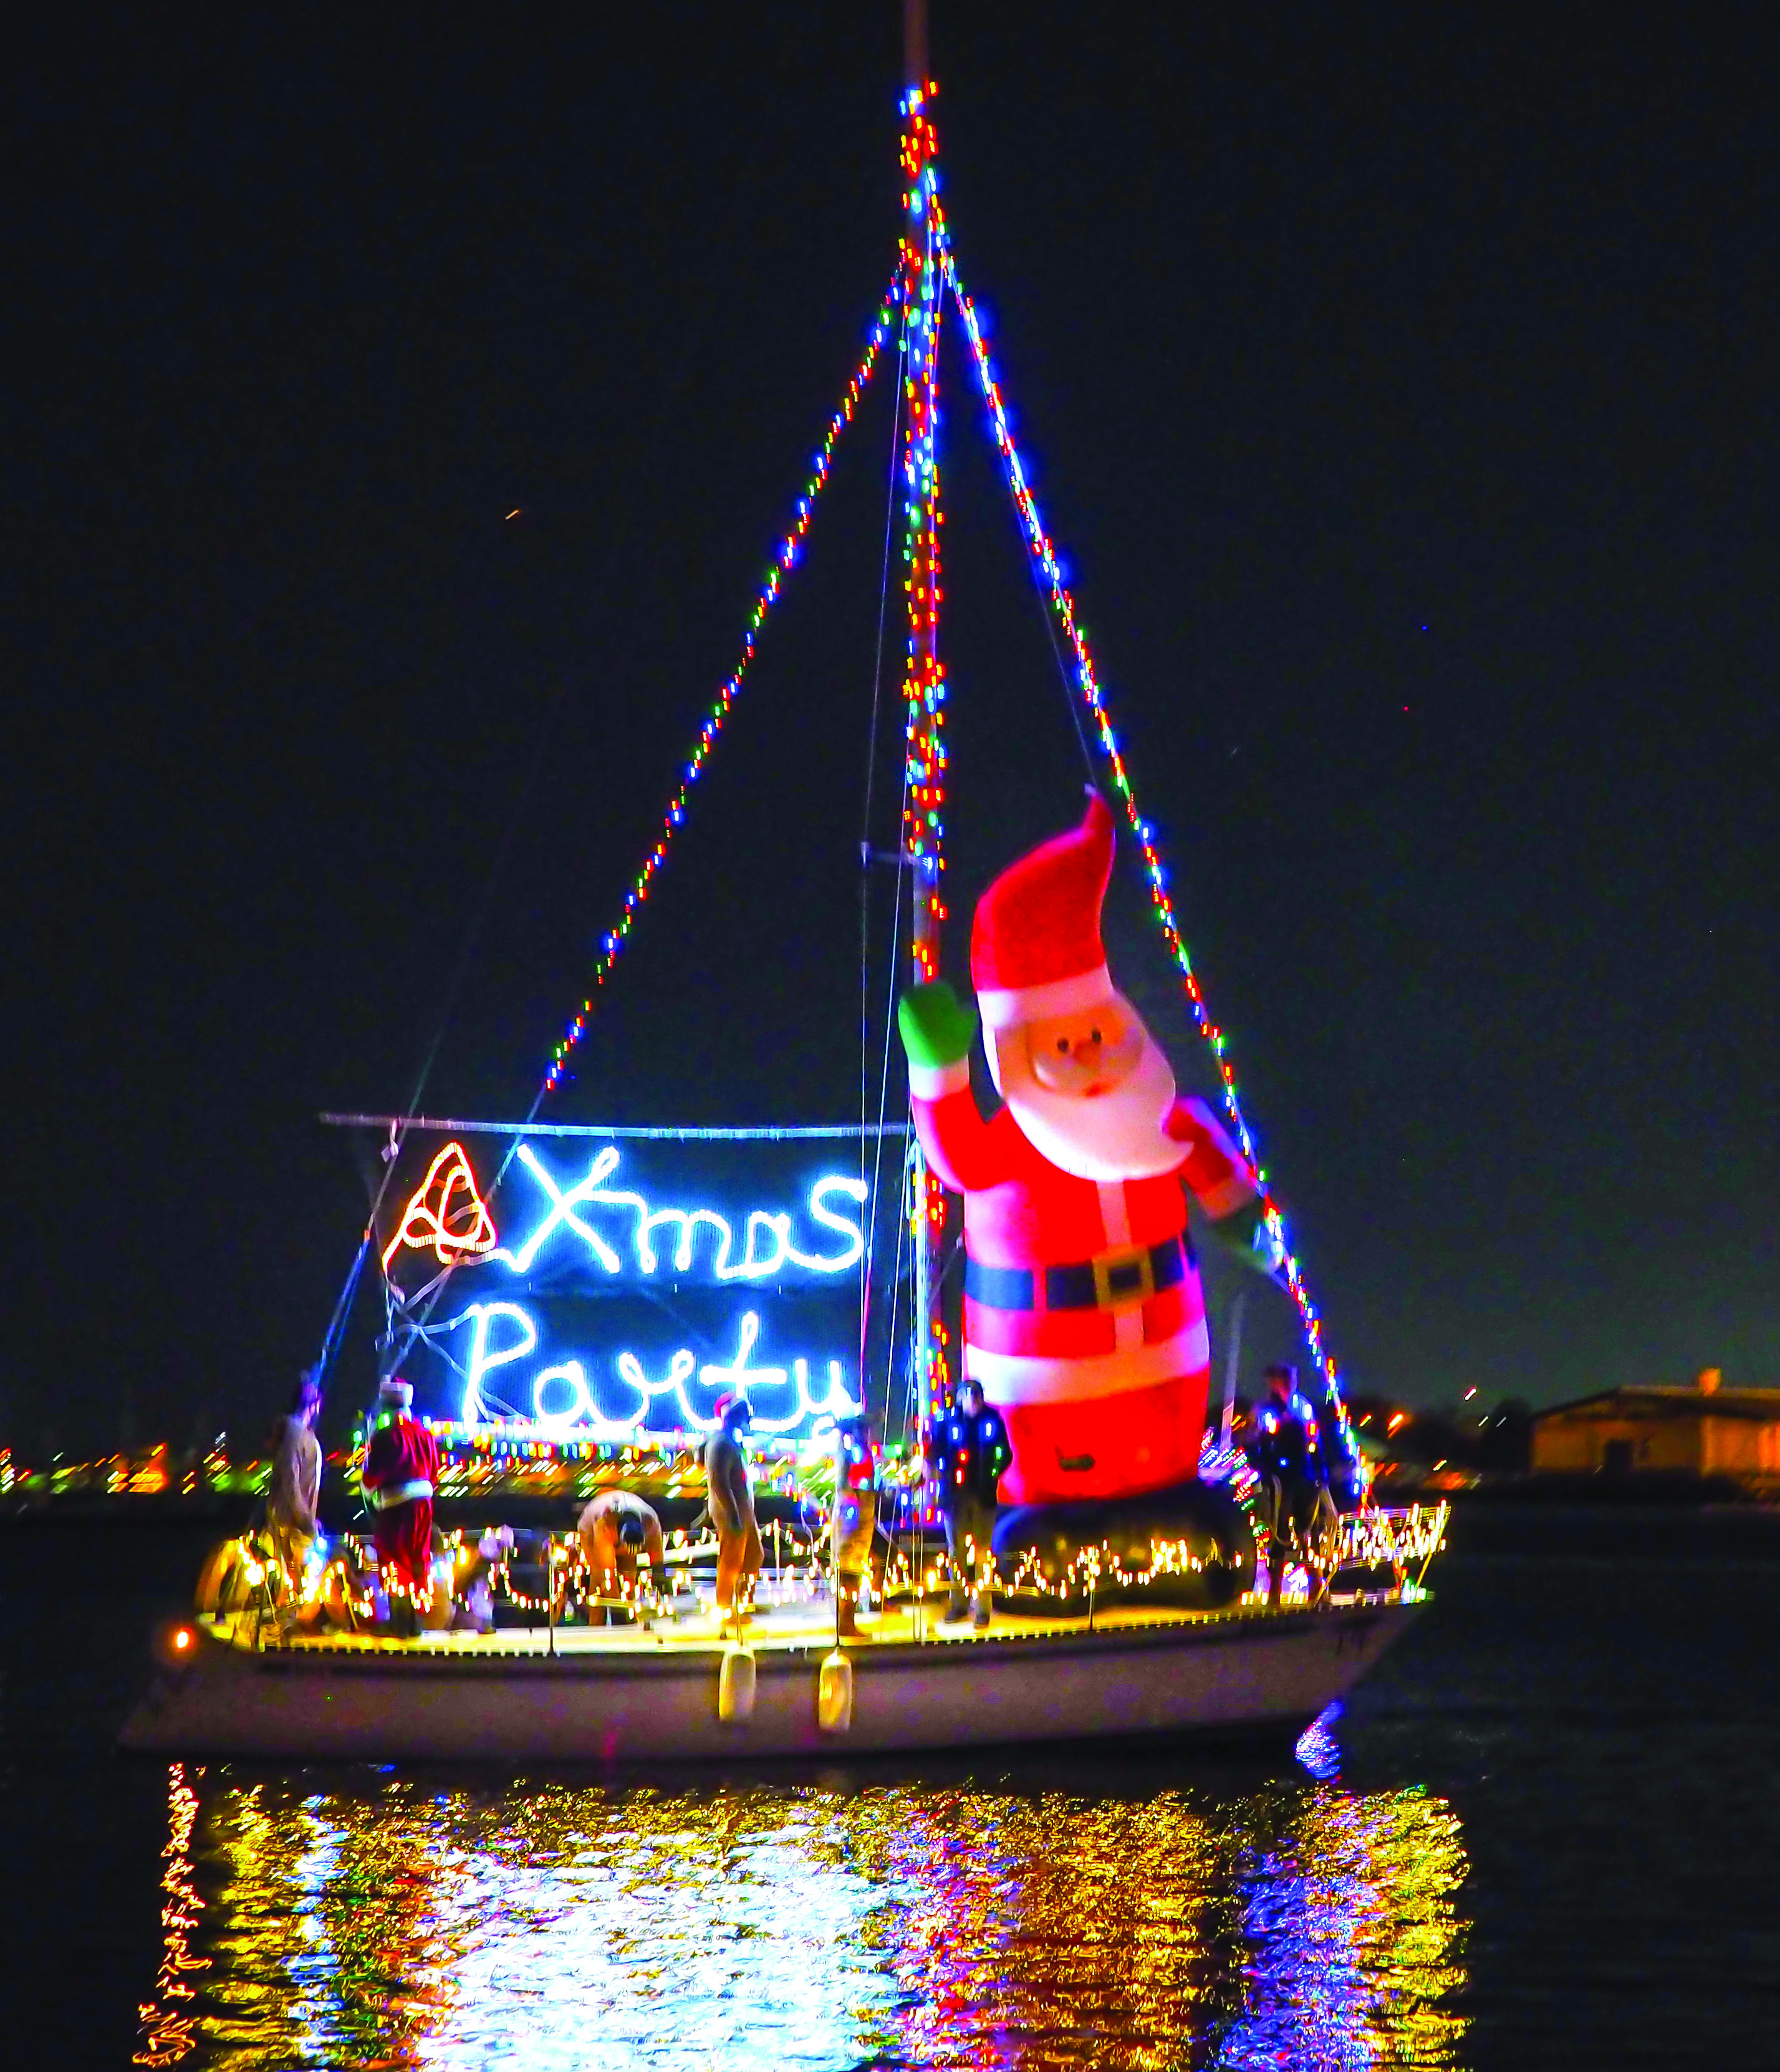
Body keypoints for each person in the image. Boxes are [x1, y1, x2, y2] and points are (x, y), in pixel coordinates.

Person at [898, 794, 1280, 1508]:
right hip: (1039, 1369)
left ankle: (1172, 1488)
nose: (1091, 1058)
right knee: (1051, 1470)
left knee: (1167, 1462)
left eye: (1098, 1033)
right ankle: (1040, 1510)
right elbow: (958, 1161)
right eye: (1063, 1045)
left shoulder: (1163, 1122)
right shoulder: (1013, 1143)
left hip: (1169, 1350)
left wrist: (1249, 1229)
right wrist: (938, 1069)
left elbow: (1221, 1179)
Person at [926, 1378, 1011, 1628]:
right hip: (954, 1497)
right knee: (957, 1553)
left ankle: (983, 1608)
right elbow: (936, 1448)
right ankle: (959, 1604)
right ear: (961, 1398)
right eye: (968, 1397)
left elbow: (1004, 1452)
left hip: (983, 1496)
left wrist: (992, 1474)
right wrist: (931, 1466)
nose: (973, 1402)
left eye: (977, 1397)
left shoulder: (992, 1420)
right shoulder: (948, 1420)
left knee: (983, 1552)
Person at [1248, 1364, 1335, 1604]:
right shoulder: (1263, 1410)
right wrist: (1263, 1468)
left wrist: (1322, 1471)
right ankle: (1275, 1591)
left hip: (1304, 1474)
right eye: (1282, 1378)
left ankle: (1316, 1587)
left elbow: (1314, 1440)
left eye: (1290, 1378)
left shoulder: (1303, 1407)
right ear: (1272, 1381)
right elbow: (1253, 1442)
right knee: (1279, 1531)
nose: (1288, 1382)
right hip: (1278, 1478)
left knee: (1310, 1530)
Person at [360, 1376, 441, 1631]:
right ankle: (415, 1620)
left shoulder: (387, 1435)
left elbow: (372, 1476)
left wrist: (367, 1487)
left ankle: (400, 1621)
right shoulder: (425, 1434)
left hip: (396, 1508)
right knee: (418, 1559)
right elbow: (435, 1474)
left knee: (395, 1561)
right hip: (423, 1507)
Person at [704, 1392, 762, 1620]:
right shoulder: (720, 1443)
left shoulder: (732, 1442)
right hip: (731, 1510)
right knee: (731, 1560)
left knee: (753, 1555)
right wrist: (732, 1514)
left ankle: (744, 1601)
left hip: (742, 1509)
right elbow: (719, 1483)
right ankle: (725, 1608)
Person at [267, 1369, 324, 1583]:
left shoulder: (300, 1435)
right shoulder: (295, 1434)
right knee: (289, 1583)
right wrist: (306, 1521)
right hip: (288, 1529)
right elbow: (291, 1483)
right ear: (313, 1405)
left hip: (296, 1527)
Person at [577, 1490, 668, 1620]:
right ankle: (597, 1623)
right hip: (591, 1530)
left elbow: (658, 1561)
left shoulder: (651, 1522)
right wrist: (618, 1610)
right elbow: (607, 1572)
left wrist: (660, 1582)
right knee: (600, 1581)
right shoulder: (605, 1523)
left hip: (624, 1526)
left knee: (629, 1579)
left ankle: (630, 1619)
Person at [829, 1414, 879, 1639]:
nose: (867, 1434)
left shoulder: (861, 1453)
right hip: (853, 1520)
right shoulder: (850, 1454)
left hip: (861, 1519)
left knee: (855, 1570)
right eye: (863, 1429)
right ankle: (846, 1623)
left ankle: (848, 1621)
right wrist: (855, 1517)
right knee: (849, 1571)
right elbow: (847, 1488)